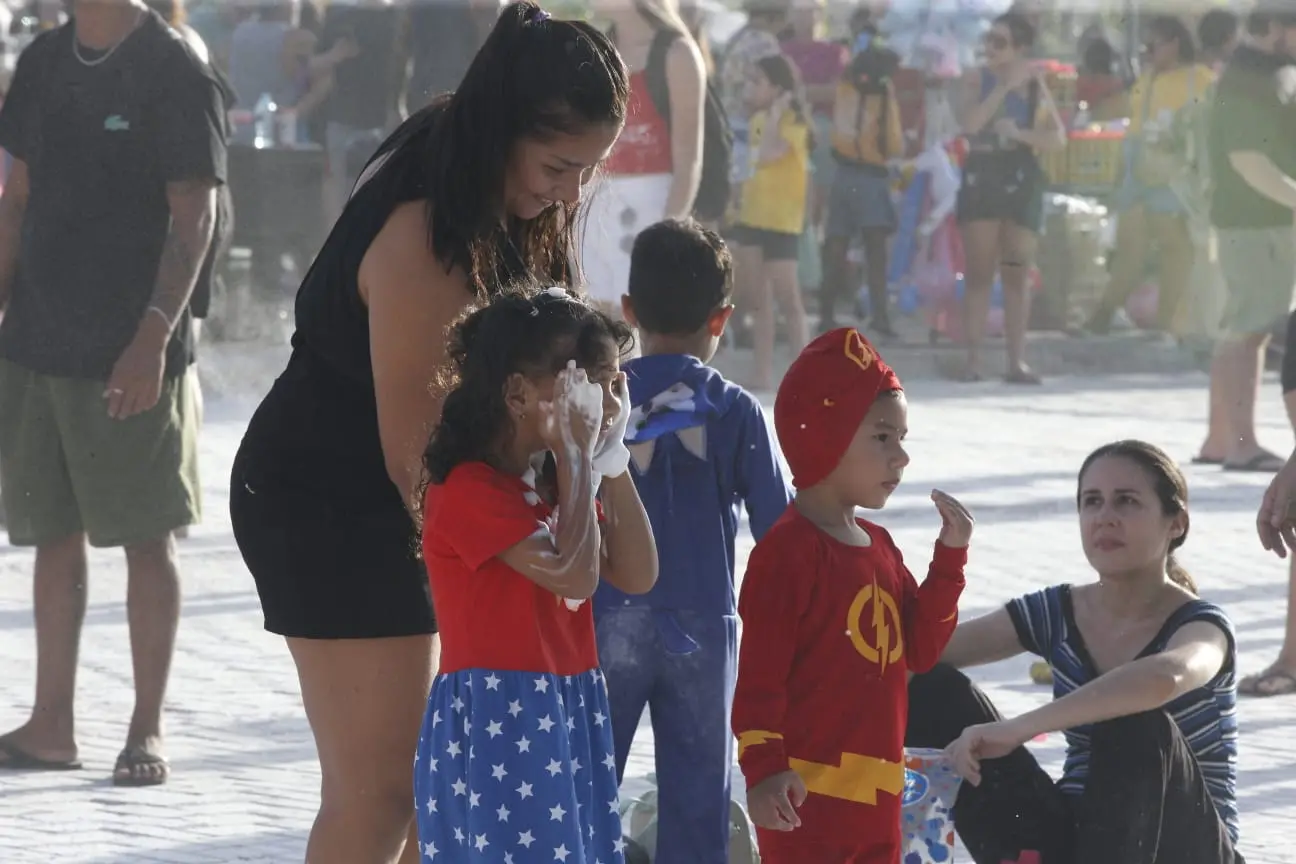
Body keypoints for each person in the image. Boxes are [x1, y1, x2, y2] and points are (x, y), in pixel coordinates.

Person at [227, 5, 627, 862]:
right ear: (503, 127)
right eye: (559, 164)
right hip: (331, 501)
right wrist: (522, 557)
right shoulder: (423, 233)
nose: (569, 192)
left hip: (435, 496)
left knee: (440, 794)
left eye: (587, 172)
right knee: (382, 797)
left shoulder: (487, 175)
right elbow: (416, 460)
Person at [0, 0, 225, 785]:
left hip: (134, 347)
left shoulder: (175, 67)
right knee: (51, 533)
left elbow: (195, 214)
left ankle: (146, 729)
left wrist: (153, 337)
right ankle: (50, 724)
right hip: (36, 341)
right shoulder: (40, 63)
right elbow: (15, 198)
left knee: (145, 534)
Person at [909, 440, 1240, 864]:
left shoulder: (1203, 625)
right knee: (932, 685)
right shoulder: (1058, 611)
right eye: (1092, 502)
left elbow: (1164, 679)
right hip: (1084, 843)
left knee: (1134, 722)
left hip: (1184, 849)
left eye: (1127, 501)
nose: (1105, 518)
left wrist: (1019, 728)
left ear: (1175, 522)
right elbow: (920, 652)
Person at [415, 283, 657, 862]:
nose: (598, 401)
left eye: (609, 383)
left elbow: (638, 572)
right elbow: (575, 577)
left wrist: (609, 457)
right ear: (518, 393)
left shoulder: (554, 484)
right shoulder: (470, 490)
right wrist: (576, 454)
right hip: (504, 718)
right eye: (583, 382)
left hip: (567, 706)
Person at [731, 327, 973, 864]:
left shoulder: (881, 548)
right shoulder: (786, 555)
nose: (902, 457)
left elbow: (922, 648)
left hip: (879, 799)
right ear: (825, 434)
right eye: (883, 438)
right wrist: (764, 769)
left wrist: (949, 560)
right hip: (803, 800)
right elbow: (759, 679)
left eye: (902, 438)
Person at [595, 219, 792, 863]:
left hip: (606, 617)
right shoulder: (735, 409)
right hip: (704, 624)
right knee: (698, 796)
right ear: (722, 318)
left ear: (628, 312)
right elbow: (778, 530)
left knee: (587, 788)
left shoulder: (602, 399)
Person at [1195, 5, 1296, 477]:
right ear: (1273, 27)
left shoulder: (1265, 71)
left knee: (1241, 327)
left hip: (1255, 222)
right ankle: (1241, 445)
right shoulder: (1248, 78)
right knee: (1250, 330)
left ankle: (1221, 439)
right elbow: (1246, 157)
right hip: (1257, 223)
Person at [950, 11, 1065, 384]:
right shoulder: (975, 79)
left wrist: (1020, 134)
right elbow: (969, 125)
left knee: (1017, 273)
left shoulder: (1035, 87)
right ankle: (973, 360)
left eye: (1000, 42)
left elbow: (1057, 137)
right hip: (983, 173)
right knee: (979, 271)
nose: (990, 49)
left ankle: (1017, 361)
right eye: (988, 41)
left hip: (1020, 176)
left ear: (1020, 48)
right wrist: (1001, 88)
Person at [1087, 17, 1214, 339]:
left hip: (1175, 171)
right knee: (1130, 246)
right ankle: (1104, 313)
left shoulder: (1201, 79)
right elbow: (1127, 115)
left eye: (1152, 45)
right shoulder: (1147, 79)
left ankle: (1169, 324)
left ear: (1174, 43)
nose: (1146, 52)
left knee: (1176, 249)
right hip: (1138, 169)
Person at [580, 0, 706, 312]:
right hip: (595, 204)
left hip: (651, 202)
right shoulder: (597, 49)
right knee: (593, 324)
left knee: (637, 323)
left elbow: (690, 158)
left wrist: (669, 232)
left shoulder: (677, 53)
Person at [816, 29, 903, 336]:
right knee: (875, 249)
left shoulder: (845, 86)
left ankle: (825, 312)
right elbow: (892, 142)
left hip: (843, 173)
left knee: (836, 243)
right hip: (871, 175)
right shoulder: (884, 92)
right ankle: (881, 316)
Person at [733, 54, 812, 390]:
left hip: (782, 221)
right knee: (758, 299)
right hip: (754, 215)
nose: (750, 88)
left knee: (789, 300)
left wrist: (779, 112)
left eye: (757, 82)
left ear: (778, 88)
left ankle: (805, 374)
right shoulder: (757, 120)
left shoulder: (794, 123)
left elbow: (769, 154)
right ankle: (762, 372)